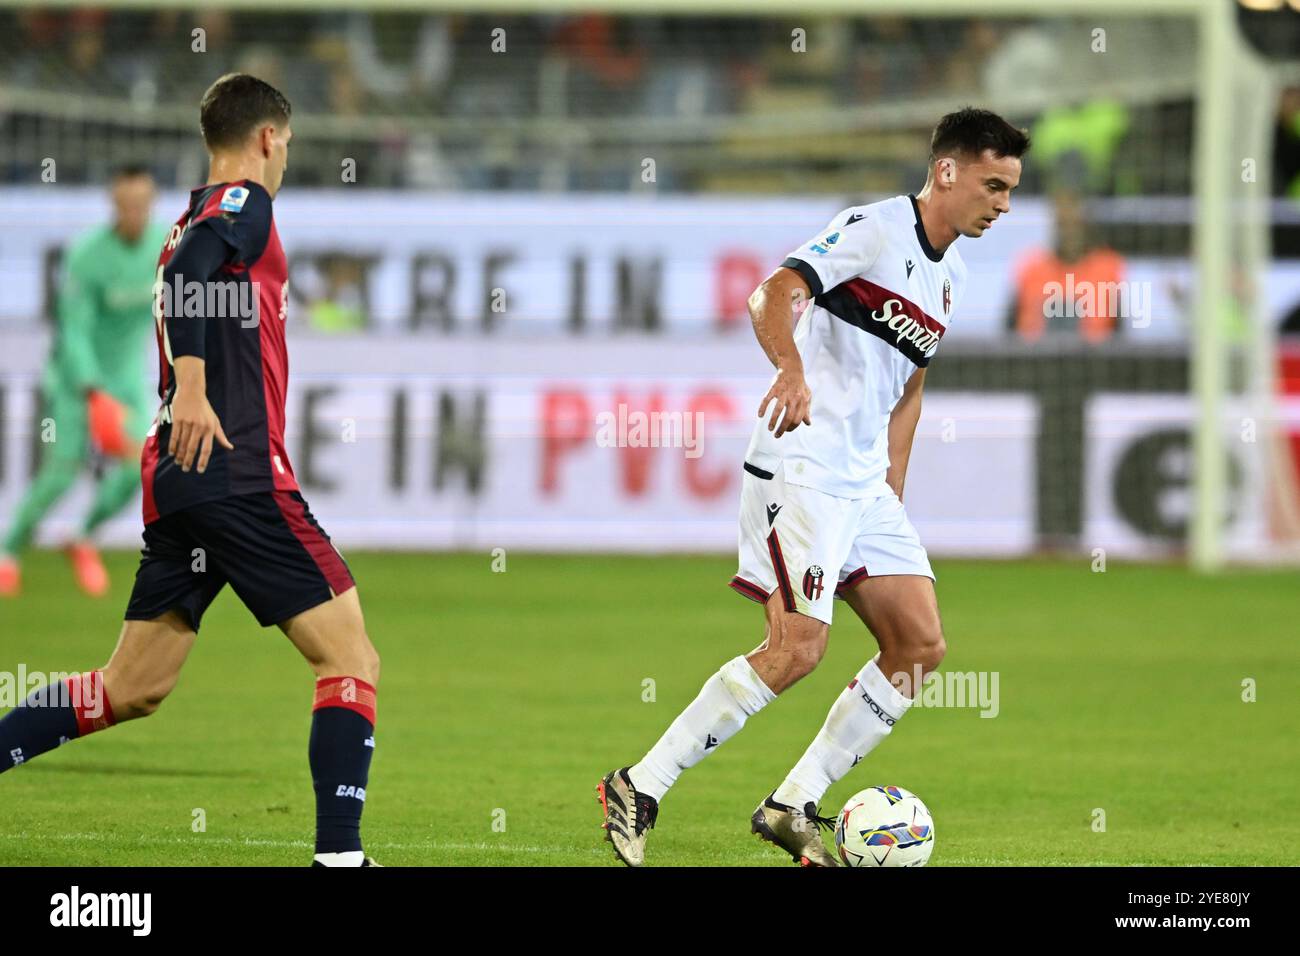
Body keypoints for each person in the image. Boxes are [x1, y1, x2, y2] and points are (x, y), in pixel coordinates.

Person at [598, 107, 1029, 867]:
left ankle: (793, 802)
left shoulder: (953, 275)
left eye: (1010, 190)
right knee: (798, 647)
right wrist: (789, 368)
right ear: (947, 171)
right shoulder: (872, 228)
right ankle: (640, 783)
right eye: (993, 185)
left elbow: (910, 389)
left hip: (864, 485)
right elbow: (772, 293)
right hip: (802, 466)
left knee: (919, 645)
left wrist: (892, 487)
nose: (1002, 204)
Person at [0, 74, 383, 868]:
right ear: (269, 138)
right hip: (238, 472)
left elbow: (187, 275)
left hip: (180, 480)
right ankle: (340, 861)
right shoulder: (243, 205)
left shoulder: (185, 221)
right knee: (350, 659)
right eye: (288, 144)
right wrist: (200, 390)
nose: (285, 159)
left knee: (128, 688)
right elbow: (186, 282)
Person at [0, 164, 166, 598]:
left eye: (142, 205)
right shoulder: (86, 255)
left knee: (139, 467)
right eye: (127, 205)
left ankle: (83, 536)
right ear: (113, 205)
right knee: (62, 472)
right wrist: (92, 390)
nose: (135, 213)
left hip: (126, 377)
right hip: (77, 378)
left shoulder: (163, 246)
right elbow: (73, 329)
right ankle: (8, 551)